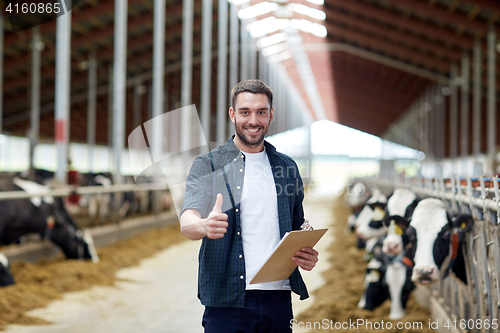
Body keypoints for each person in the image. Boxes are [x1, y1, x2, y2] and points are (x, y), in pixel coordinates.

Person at [179, 79, 319, 333]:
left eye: (261, 112)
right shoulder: (208, 164)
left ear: (270, 115)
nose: (253, 120)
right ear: (233, 114)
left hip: (277, 299)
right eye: (245, 112)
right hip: (226, 301)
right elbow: (187, 219)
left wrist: (306, 253)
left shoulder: (287, 167)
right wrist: (203, 225)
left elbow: (299, 225)